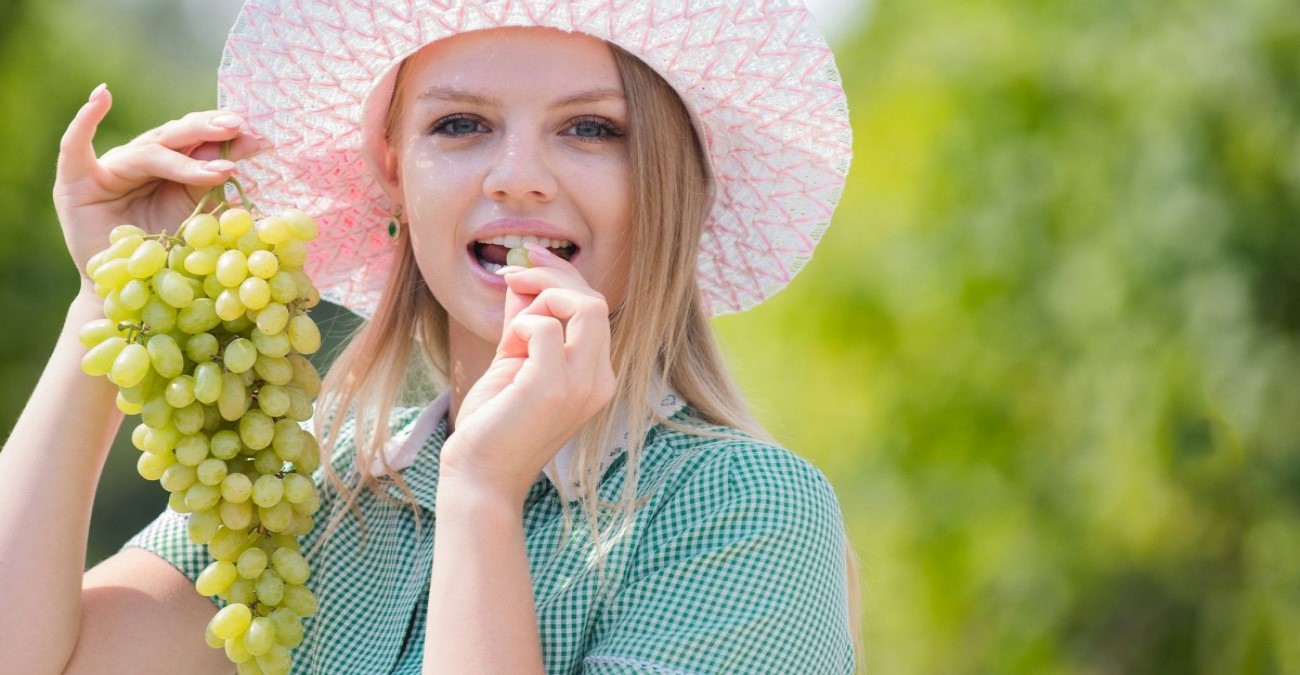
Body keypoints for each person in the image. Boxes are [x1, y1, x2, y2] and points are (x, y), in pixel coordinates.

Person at [0, 0, 858, 672]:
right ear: (394, 173)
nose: (518, 176)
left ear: (668, 184)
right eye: (460, 125)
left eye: (591, 128)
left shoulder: (745, 511)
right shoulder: (320, 498)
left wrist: (483, 490)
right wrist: (111, 298)